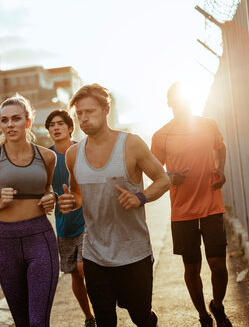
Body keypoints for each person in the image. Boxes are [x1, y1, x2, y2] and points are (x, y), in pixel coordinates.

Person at [59, 84, 171, 327]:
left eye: (89, 111)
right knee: (105, 321)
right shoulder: (73, 154)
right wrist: (71, 202)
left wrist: (141, 197)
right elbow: (77, 193)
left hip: (134, 252)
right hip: (95, 254)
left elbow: (163, 179)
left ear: (106, 109)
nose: (83, 118)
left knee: (140, 316)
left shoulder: (131, 144)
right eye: (79, 114)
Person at [150, 82, 231, 327]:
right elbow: (154, 171)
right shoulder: (161, 135)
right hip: (182, 210)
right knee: (192, 267)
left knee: (217, 264)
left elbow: (221, 147)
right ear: (170, 103)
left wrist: (220, 169)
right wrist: (171, 175)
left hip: (211, 203)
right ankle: (203, 316)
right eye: (177, 99)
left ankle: (217, 306)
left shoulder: (208, 125)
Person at [0, 94, 59, 327]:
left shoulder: (47, 156)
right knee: (21, 322)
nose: (9, 125)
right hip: (6, 241)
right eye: (4, 120)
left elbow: (48, 187)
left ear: (28, 122)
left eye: (16, 119)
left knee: (38, 321)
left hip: (40, 237)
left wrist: (51, 196)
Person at [44, 109, 95, 327]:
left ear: (69, 127)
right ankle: (89, 317)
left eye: (60, 124)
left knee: (86, 268)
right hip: (63, 223)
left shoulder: (83, 150)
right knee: (75, 274)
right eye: (51, 125)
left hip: (87, 220)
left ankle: (102, 308)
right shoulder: (46, 157)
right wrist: (49, 197)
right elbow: (43, 188)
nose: (55, 128)